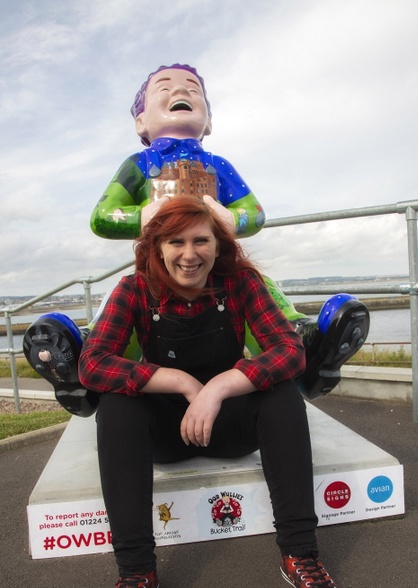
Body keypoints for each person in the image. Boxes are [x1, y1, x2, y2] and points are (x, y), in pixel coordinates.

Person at [78, 196, 350, 588]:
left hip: (229, 426)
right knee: (117, 404)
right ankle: (136, 575)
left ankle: (300, 556)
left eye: (201, 240)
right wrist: (181, 382)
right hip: (168, 431)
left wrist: (220, 386)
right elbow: (93, 364)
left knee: (282, 394)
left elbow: (288, 351)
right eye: (176, 242)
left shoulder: (242, 283)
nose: (190, 253)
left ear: (217, 244)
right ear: (156, 248)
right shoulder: (133, 289)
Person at [22, 63, 369, 416]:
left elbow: (256, 211)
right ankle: (84, 357)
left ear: (209, 121)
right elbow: (101, 216)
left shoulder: (219, 165)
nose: (181, 93)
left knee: (259, 291)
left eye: (192, 89)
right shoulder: (138, 165)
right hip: (157, 270)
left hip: (218, 267)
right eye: (165, 88)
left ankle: (304, 342)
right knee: (125, 301)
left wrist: (231, 218)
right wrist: (139, 217)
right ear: (140, 121)